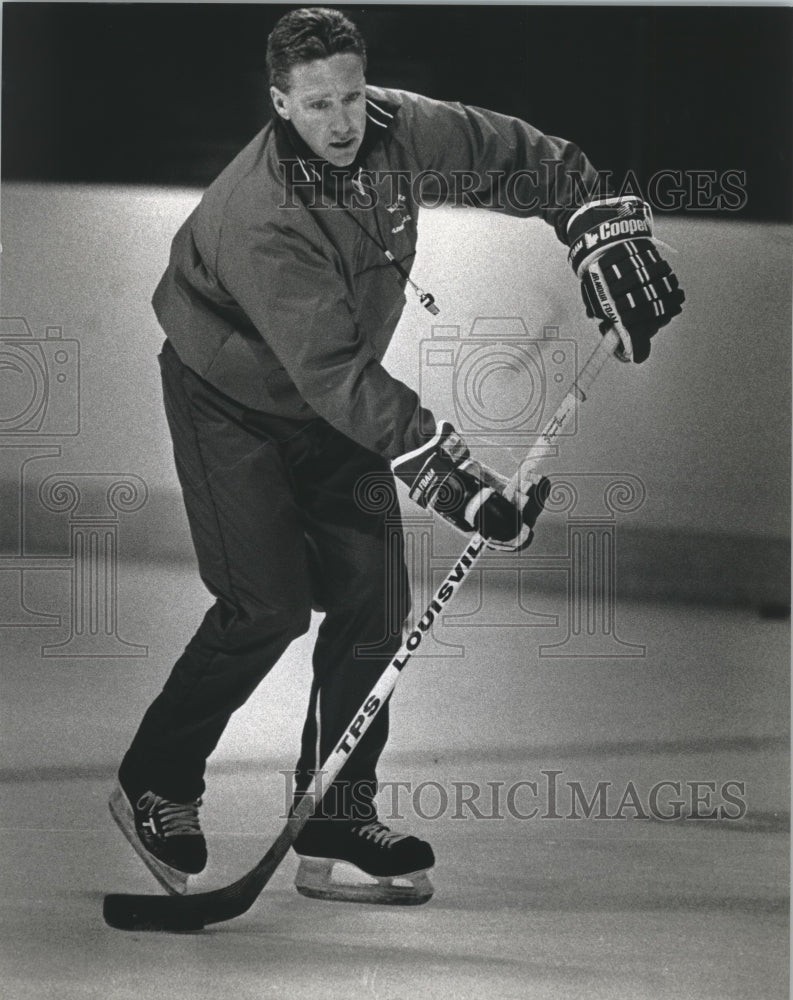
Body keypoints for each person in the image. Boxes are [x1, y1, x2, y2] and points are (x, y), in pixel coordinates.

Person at [110, 7, 684, 904]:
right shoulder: (262, 214)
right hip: (232, 406)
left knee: (374, 603)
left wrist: (592, 222)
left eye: (349, 96)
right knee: (266, 606)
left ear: (364, 84)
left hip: (334, 402)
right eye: (315, 105)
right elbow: (335, 375)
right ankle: (157, 778)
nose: (340, 123)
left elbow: (516, 156)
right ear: (279, 102)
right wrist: (459, 486)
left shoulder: (399, 127)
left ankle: (335, 820)